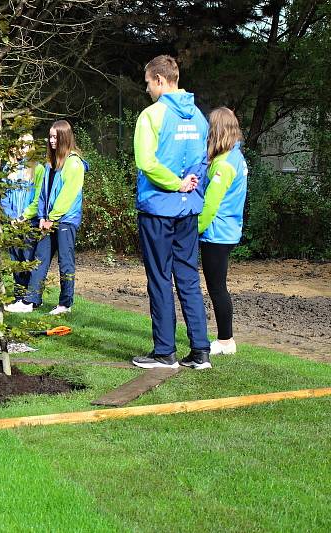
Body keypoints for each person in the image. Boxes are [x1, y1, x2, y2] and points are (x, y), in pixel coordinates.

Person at [130, 55, 212, 370]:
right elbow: (203, 161)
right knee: (189, 277)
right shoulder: (200, 117)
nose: (147, 89)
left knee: (160, 278)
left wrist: (176, 184)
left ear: (161, 81)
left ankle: (165, 351)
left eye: (149, 82)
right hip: (188, 210)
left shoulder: (151, 116)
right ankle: (200, 351)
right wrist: (190, 187)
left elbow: (147, 163)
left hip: (158, 209)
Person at [5, 120, 87, 315]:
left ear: (64, 138)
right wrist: (42, 216)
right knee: (40, 259)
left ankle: (65, 304)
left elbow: (67, 196)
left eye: (55, 137)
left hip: (66, 220)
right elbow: (43, 193)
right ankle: (30, 301)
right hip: (47, 219)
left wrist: (52, 217)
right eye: (50, 136)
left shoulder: (74, 163)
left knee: (65, 262)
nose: (51, 140)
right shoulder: (50, 164)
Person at [198, 107, 248, 356]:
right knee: (218, 285)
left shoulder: (225, 165)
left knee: (217, 287)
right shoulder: (235, 156)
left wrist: (194, 229)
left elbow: (210, 204)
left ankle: (226, 341)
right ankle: (225, 338)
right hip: (226, 230)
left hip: (217, 232)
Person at [1, 133, 43, 303]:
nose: (22, 149)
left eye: (26, 145)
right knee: (15, 260)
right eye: (20, 145)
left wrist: (24, 217)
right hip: (12, 222)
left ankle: (30, 297)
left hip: (28, 222)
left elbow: (38, 198)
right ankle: (19, 296)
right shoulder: (8, 169)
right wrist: (11, 217)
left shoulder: (38, 169)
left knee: (28, 258)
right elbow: (3, 196)